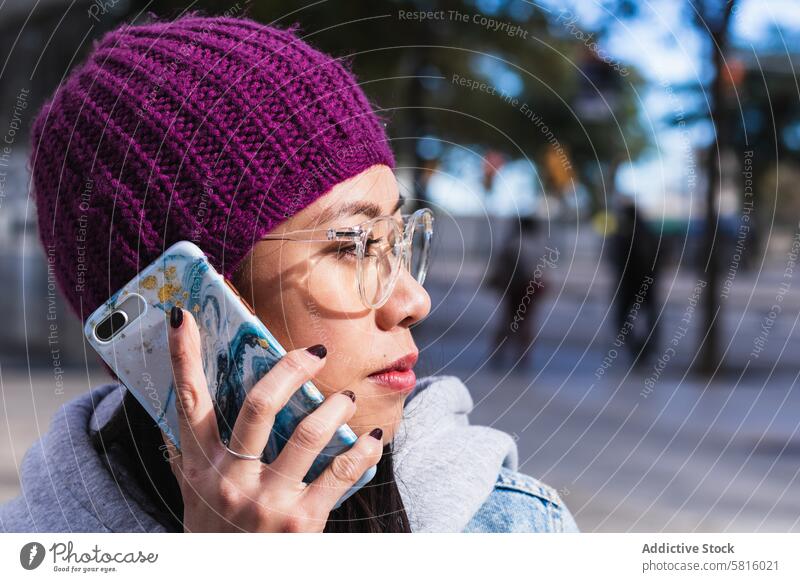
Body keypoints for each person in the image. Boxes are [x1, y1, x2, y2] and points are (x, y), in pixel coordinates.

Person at [0, 14, 578, 533]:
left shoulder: (513, 526)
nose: (413, 300)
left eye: (397, 241)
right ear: (185, 311)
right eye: (351, 244)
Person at [610, 199, 661, 364]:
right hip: (647, 284)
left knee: (622, 318)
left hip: (630, 284)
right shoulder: (648, 233)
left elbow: (618, 260)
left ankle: (639, 349)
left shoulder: (626, 234)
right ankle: (645, 349)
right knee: (649, 317)